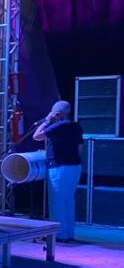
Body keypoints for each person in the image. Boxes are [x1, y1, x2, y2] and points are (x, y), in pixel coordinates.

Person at [33, 100, 83, 242]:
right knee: (69, 200)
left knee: (57, 201)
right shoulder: (76, 126)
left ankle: (59, 235)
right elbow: (80, 148)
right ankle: (69, 233)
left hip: (59, 167)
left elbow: (36, 136)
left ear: (57, 113)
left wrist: (47, 120)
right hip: (75, 167)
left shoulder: (56, 126)